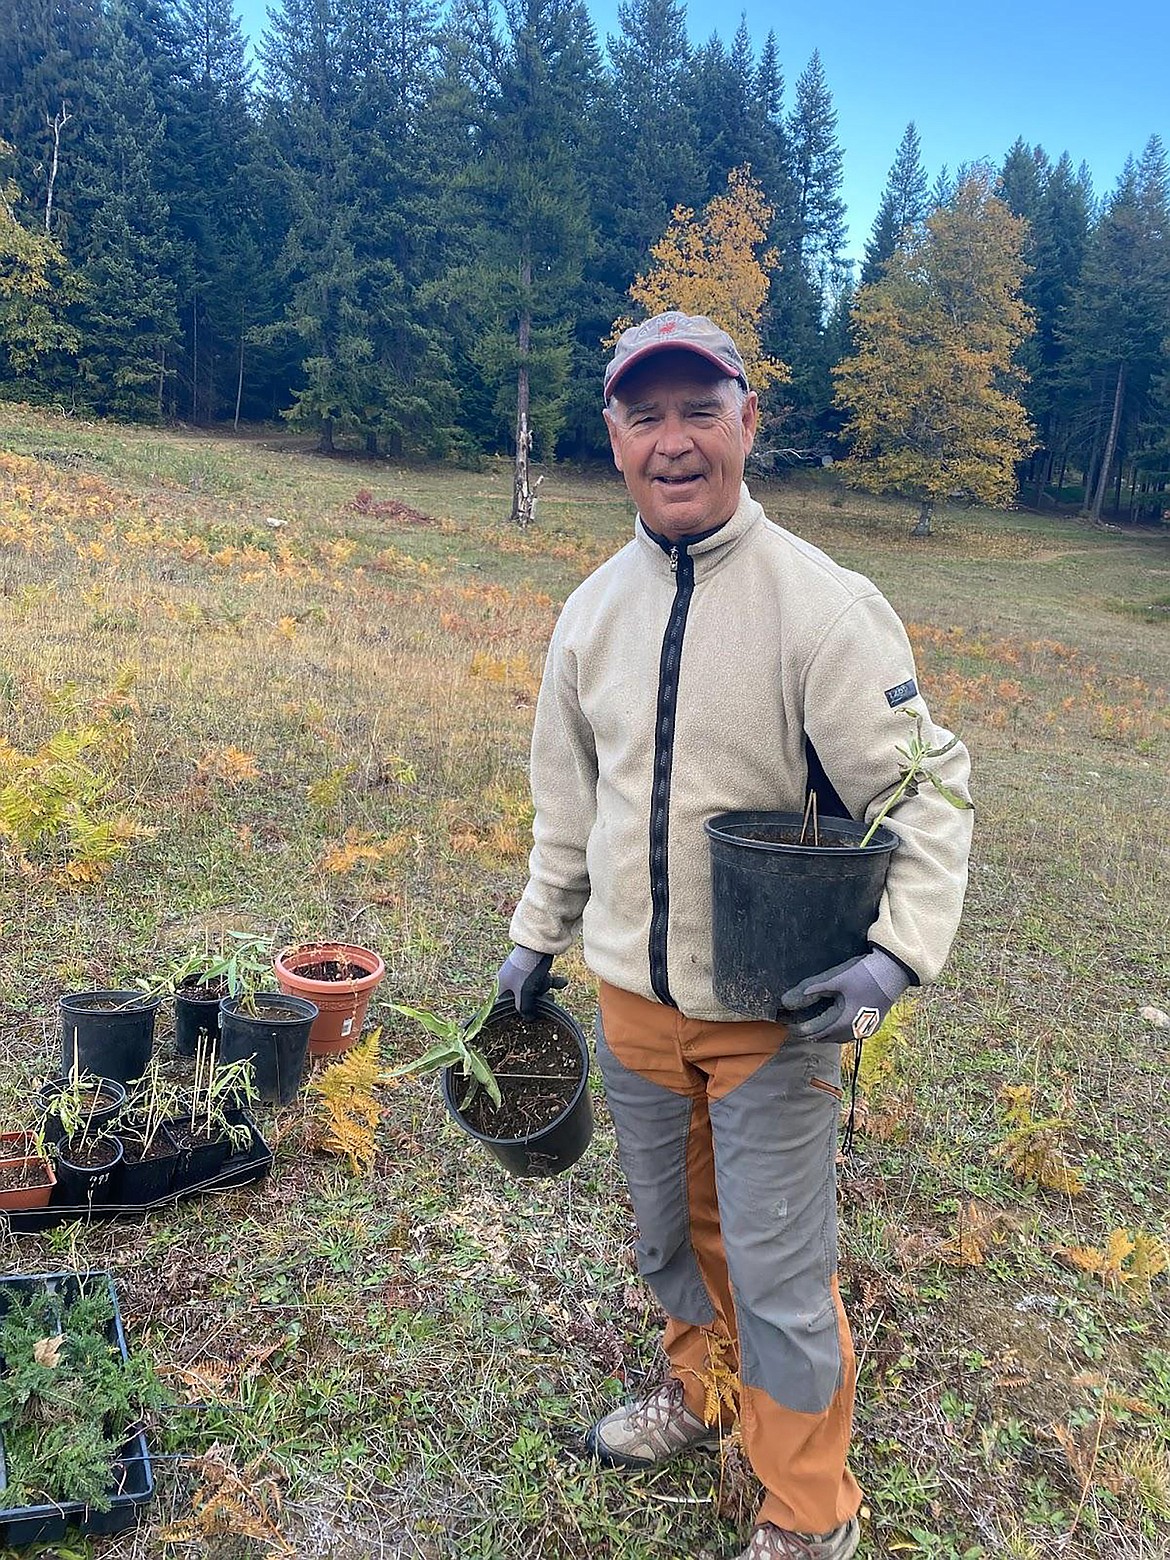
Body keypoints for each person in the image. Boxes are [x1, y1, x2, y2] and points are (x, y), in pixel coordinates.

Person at [497, 311, 973, 1560]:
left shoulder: (823, 608)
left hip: (775, 1013)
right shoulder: (589, 615)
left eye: (699, 410)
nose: (673, 441)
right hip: (631, 1010)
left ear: (748, 422)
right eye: (645, 415)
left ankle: (813, 1514)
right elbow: (569, 803)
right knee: (667, 1236)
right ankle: (697, 1395)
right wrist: (534, 941)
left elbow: (925, 787)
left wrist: (896, 954)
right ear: (612, 439)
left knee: (775, 1269)